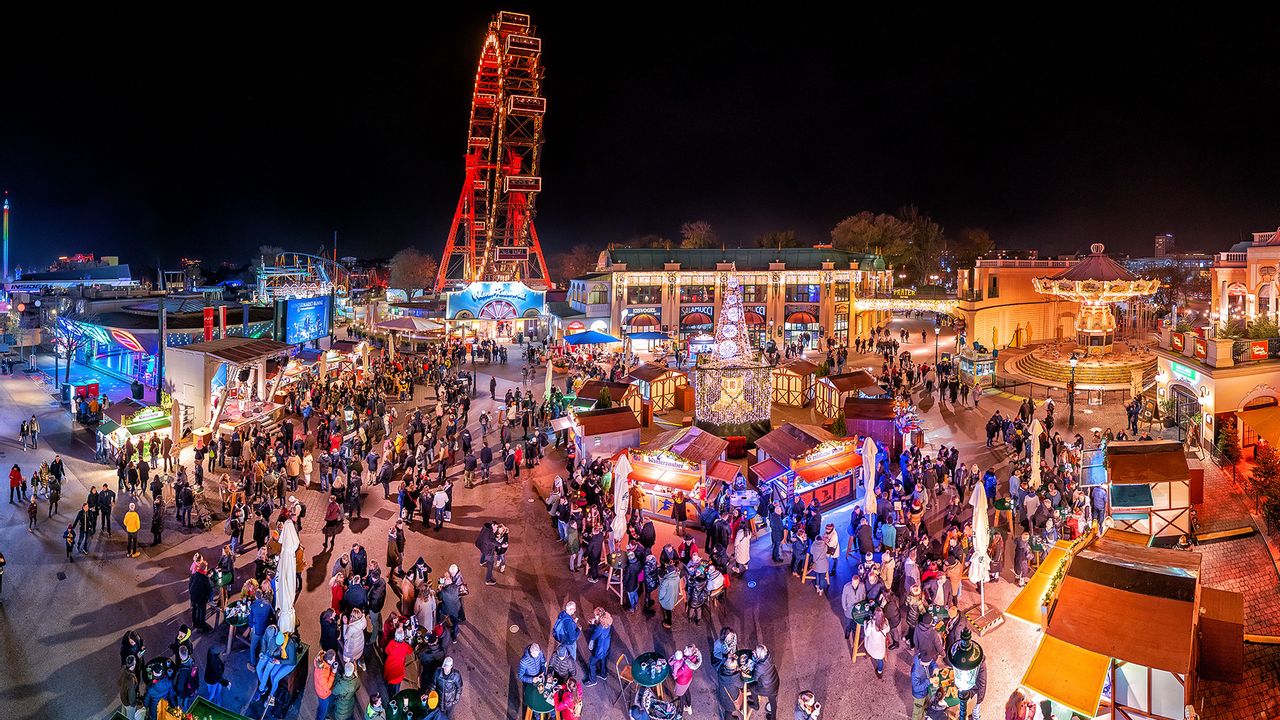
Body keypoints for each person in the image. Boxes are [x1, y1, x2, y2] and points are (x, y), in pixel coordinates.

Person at [669, 645, 701, 715]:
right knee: (687, 692)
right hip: (688, 679)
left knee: (681, 696)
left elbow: (679, 672)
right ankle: (689, 708)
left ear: (690, 653)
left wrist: (675, 674)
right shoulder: (693, 658)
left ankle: (680, 712)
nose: (684, 651)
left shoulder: (687, 664)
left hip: (682, 682)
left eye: (686, 650)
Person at [584, 608, 612, 686]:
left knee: (591, 663)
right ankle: (603, 674)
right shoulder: (607, 621)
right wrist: (595, 622)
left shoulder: (600, 627)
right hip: (606, 646)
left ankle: (593, 680)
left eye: (595, 615)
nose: (594, 616)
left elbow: (595, 634)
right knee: (603, 659)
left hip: (600, 648)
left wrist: (592, 624)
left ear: (599, 616)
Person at [753, 645, 781, 720]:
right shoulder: (769, 655)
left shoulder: (760, 666)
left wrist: (755, 659)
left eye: (756, 651)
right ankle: (773, 718)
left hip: (766, 688)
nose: (754, 651)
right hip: (775, 682)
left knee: (752, 688)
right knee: (772, 700)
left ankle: (756, 705)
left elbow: (754, 678)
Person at [384, 626, 413, 697]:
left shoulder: (391, 643)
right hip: (398, 672)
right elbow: (410, 651)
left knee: (389, 683)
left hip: (389, 667)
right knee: (396, 689)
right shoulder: (405, 646)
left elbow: (387, 651)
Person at [865, 608, 890, 678]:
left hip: (873, 645)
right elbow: (888, 630)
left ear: (875, 615)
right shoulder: (885, 621)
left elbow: (866, 634)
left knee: (866, 639)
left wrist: (865, 623)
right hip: (881, 645)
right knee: (880, 659)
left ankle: (868, 653)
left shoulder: (871, 623)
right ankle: (879, 672)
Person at [312, 650, 337, 720]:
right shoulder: (322, 673)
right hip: (323, 694)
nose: (334, 660)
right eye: (333, 659)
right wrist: (333, 673)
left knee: (322, 708)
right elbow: (326, 687)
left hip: (321, 689)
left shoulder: (322, 662)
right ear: (328, 660)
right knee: (323, 711)